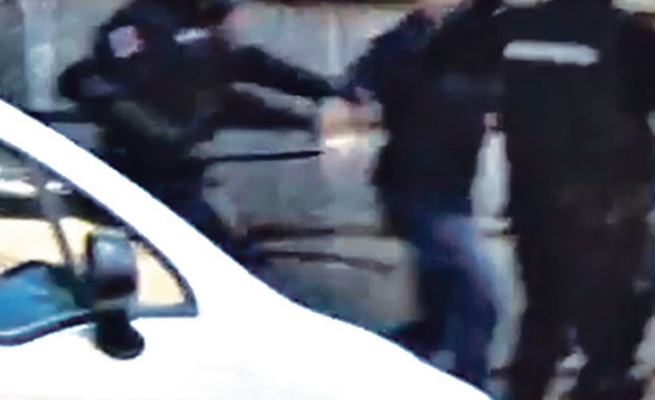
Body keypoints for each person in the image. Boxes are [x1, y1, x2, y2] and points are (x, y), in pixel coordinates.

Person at [422, 0, 655, 398]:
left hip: (537, 207)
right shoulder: (627, 34)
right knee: (611, 341)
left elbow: (441, 57)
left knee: (545, 321)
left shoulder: (514, 28)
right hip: (608, 211)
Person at [58, 0, 337, 267]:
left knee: (229, 254)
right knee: (226, 260)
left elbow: (241, 81)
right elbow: (230, 80)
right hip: (145, 177)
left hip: (177, 174)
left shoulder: (190, 35)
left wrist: (315, 107)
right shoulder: (149, 29)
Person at [317, 0, 501, 391]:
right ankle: (467, 389)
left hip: (448, 191)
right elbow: (353, 92)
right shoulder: (401, 44)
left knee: (443, 318)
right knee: (478, 305)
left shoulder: (472, 35)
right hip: (417, 191)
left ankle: (374, 374)